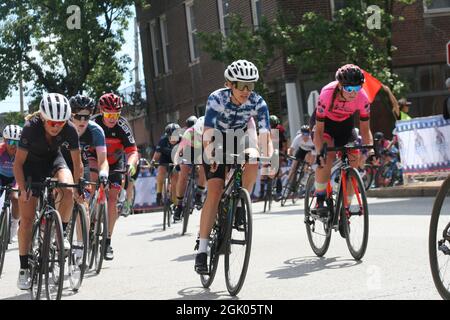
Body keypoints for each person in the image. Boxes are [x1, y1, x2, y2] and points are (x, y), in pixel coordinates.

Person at [194, 59, 273, 274]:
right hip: (215, 139)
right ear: (230, 84)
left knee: (254, 157)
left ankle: (239, 204)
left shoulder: (258, 102)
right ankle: (201, 250)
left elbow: (264, 134)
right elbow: (208, 130)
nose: (247, 91)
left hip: (240, 136)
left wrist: (267, 154)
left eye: (251, 85)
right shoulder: (216, 98)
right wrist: (211, 154)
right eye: (241, 85)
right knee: (215, 191)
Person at [14, 93, 83, 289]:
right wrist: (22, 188)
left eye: (60, 123)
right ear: (43, 118)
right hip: (30, 168)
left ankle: (61, 233)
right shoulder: (30, 128)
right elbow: (18, 163)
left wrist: (78, 186)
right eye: (52, 122)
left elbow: (77, 164)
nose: (56, 126)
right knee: (26, 220)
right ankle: (24, 268)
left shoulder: (69, 129)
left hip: (54, 161)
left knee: (68, 191)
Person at [311, 64, 374, 217]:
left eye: (357, 88)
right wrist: (320, 152)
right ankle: (319, 198)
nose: (353, 93)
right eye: (349, 89)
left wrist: (371, 150)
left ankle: (345, 206)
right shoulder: (326, 94)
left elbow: (365, 129)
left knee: (354, 158)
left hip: (345, 125)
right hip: (325, 125)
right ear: (340, 85)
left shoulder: (363, 98)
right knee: (327, 158)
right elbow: (319, 130)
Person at [91, 93, 139, 260]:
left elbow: (133, 151)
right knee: (91, 182)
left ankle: (108, 240)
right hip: (94, 159)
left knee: (113, 199)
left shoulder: (122, 126)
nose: (112, 118)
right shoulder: (94, 123)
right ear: (101, 111)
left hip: (115, 162)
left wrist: (131, 165)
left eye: (116, 114)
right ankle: (88, 219)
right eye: (108, 114)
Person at [173, 116, 207, 221]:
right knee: (183, 174)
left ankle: (199, 193)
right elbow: (179, 150)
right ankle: (179, 205)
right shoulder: (189, 133)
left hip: (202, 151)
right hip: (188, 151)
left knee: (204, 167)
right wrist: (176, 162)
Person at [0, 125, 22, 243]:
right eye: (11, 141)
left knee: (15, 197)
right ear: (5, 141)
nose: (14, 145)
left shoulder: (21, 152)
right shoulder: (0, 150)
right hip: (1, 176)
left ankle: (14, 226)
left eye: (17, 142)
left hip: (15, 177)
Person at [151, 123, 181, 208]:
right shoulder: (163, 140)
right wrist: (153, 162)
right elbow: (156, 156)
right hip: (165, 158)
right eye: (171, 137)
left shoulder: (182, 140)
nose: (173, 140)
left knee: (175, 177)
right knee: (161, 170)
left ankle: (175, 202)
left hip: (177, 159)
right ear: (167, 136)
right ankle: (159, 194)